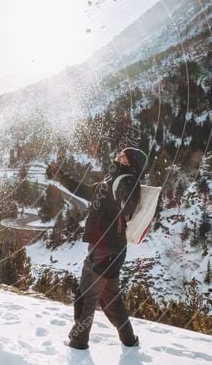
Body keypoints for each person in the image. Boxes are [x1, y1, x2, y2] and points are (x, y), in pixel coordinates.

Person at [46, 147, 148, 350]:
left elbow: (125, 206)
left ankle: (78, 341)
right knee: (111, 298)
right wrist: (62, 177)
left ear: (130, 162)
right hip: (112, 249)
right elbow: (85, 191)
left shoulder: (126, 182)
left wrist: (121, 197)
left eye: (123, 155)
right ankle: (129, 340)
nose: (118, 154)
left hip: (105, 249)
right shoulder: (115, 180)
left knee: (87, 296)